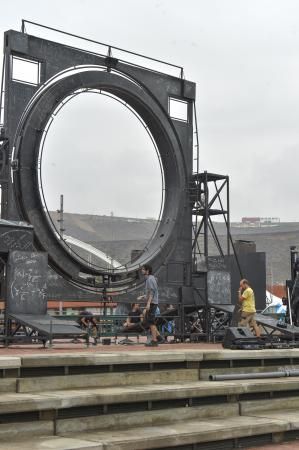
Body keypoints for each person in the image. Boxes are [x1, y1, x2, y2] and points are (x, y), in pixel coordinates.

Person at [138, 264, 160, 347]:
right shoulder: (150, 279)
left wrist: (148, 304)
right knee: (150, 322)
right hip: (152, 302)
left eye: (143, 269)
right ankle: (156, 338)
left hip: (152, 303)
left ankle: (155, 340)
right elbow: (150, 292)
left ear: (147, 271)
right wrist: (143, 296)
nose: (142, 271)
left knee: (151, 322)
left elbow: (152, 292)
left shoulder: (150, 279)